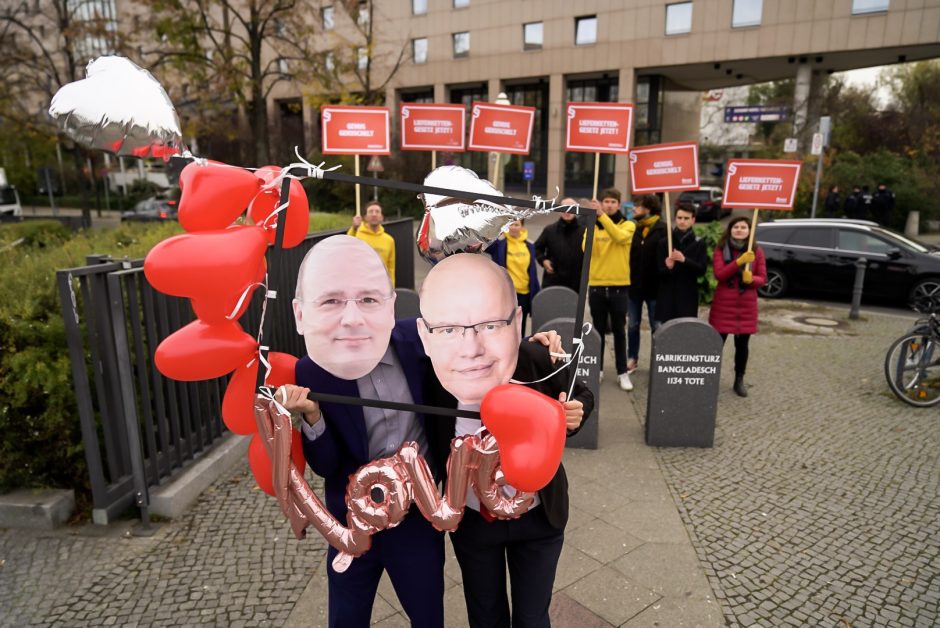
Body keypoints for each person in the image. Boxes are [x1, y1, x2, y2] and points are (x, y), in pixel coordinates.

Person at [417, 253, 594, 628]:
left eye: (491, 324)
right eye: (451, 329)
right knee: (485, 614)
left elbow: (579, 392)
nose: (472, 347)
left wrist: (575, 412)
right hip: (473, 522)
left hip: (539, 517)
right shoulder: (431, 374)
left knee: (532, 617)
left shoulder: (532, 358)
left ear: (515, 321)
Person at [282, 235, 443, 628]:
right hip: (351, 523)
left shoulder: (419, 341)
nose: (352, 317)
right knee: (347, 619)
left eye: (369, 300)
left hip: (417, 521)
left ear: (389, 306)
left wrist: (537, 348)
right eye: (333, 301)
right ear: (302, 314)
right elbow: (326, 465)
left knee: (428, 616)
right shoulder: (313, 370)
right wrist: (313, 416)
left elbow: (478, 342)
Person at [708, 217, 766, 398]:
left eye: (743, 227)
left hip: (746, 305)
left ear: (749, 231)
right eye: (736, 227)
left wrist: (752, 280)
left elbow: (762, 278)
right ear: (730, 229)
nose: (739, 230)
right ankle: (709, 378)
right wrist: (739, 262)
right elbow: (720, 274)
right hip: (723, 305)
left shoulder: (757, 251)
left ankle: (739, 379)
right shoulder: (720, 249)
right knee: (716, 344)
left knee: (742, 346)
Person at [584, 187, 635, 391]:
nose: (609, 205)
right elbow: (585, 249)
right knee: (597, 332)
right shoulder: (594, 224)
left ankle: (622, 372)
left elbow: (619, 238)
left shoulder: (628, 225)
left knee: (619, 331)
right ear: (601, 203)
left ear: (619, 204)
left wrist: (602, 217)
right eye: (606, 201)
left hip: (619, 287)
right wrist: (592, 224)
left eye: (613, 202)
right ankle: (598, 370)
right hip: (596, 285)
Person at [626, 194, 667, 379]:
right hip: (634, 287)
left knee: (656, 327)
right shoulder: (633, 228)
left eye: (638, 206)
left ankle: (659, 361)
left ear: (648, 209)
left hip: (655, 288)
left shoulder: (663, 229)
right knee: (633, 325)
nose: (634, 209)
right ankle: (632, 358)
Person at [655, 206, 707, 324]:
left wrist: (685, 260)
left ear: (693, 220)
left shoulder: (699, 243)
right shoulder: (664, 242)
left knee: (685, 332)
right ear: (675, 219)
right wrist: (668, 268)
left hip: (687, 296)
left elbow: (701, 270)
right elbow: (659, 272)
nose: (682, 221)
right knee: (667, 333)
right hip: (668, 296)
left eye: (686, 218)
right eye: (679, 218)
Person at [489, 219, 540, 334]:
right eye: (510, 224)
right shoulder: (499, 244)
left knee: (520, 328)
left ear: (522, 227)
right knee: (504, 327)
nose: (513, 227)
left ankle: (519, 351)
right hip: (506, 294)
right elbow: (484, 243)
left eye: (516, 224)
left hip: (525, 295)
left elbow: (532, 271)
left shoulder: (530, 245)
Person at [533, 198, 585, 293]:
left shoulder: (584, 232)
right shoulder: (549, 230)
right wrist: (543, 260)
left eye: (571, 208)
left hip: (575, 283)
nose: (567, 211)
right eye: (564, 208)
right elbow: (536, 248)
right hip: (552, 281)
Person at [348, 200, 396, 286]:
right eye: (370, 211)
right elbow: (346, 246)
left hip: (381, 285)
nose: (374, 214)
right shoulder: (357, 235)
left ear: (382, 217)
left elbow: (391, 267)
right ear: (365, 217)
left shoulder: (389, 240)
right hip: (360, 284)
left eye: (377, 212)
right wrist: (354, 227)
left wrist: (391, 286)